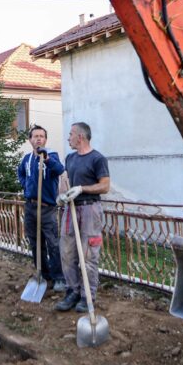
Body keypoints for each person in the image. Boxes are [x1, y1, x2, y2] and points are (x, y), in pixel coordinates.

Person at [55, 122, 110, 313]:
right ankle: (73, 291)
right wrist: (62, 195)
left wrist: (82, 189)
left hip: (89, 210)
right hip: (70, 210)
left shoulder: (98, 159)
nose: (68, 137)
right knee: (67, 253)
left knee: (88, 256)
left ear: (80, 137)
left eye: (70, 134)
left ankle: (88, 296)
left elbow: (104, 186)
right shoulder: (70, 158)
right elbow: (65, 181)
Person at [16, 125, 66, 292]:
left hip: (47, 208)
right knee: (36, 243)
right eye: (35, 136)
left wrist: (47, 160)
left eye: (41, 136)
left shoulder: (51, 155)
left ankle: (59, 277)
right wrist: (26, 186)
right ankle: (44, 275)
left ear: (45, 139)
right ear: (30, 140)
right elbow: (21, 173)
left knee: (52, 243)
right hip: (30, 206)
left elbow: (60, 170)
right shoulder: (27, 159)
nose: (38, 139)